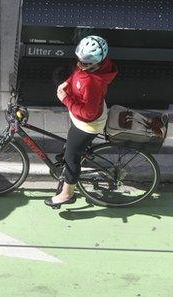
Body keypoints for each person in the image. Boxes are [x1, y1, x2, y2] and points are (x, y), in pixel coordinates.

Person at [46, 35, 117, 208]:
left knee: (72, 157)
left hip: (88, 123)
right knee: (70, 147)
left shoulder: (93, 82)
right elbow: (77, 75)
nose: (79, 65)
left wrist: (66, 100)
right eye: (78, 60)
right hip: (82, 116)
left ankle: (67, 194)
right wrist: (68, 83)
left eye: (84, 63)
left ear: (98, 63)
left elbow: (88, 114)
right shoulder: (92, 68)